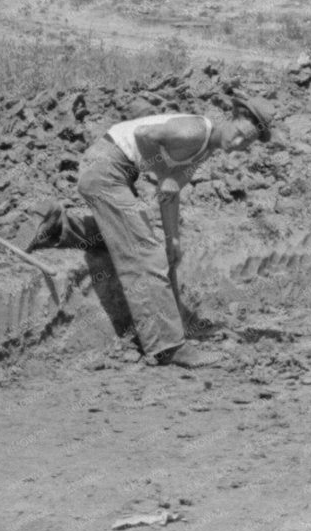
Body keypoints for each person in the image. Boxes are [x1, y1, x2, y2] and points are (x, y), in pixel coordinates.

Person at [28, 93, 274, 368]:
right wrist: (162, 170)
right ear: (233, 118)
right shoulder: (196, 130)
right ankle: (167, 347)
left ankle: (55, 226)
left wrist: (173, 239)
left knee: (126, 236)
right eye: (239, 133)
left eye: (247, 143)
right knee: (145, 255)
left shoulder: (204, 150)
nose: (238, 143)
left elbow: (169, 192)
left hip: (111, 170)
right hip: (106, 168)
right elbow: (146, 134)